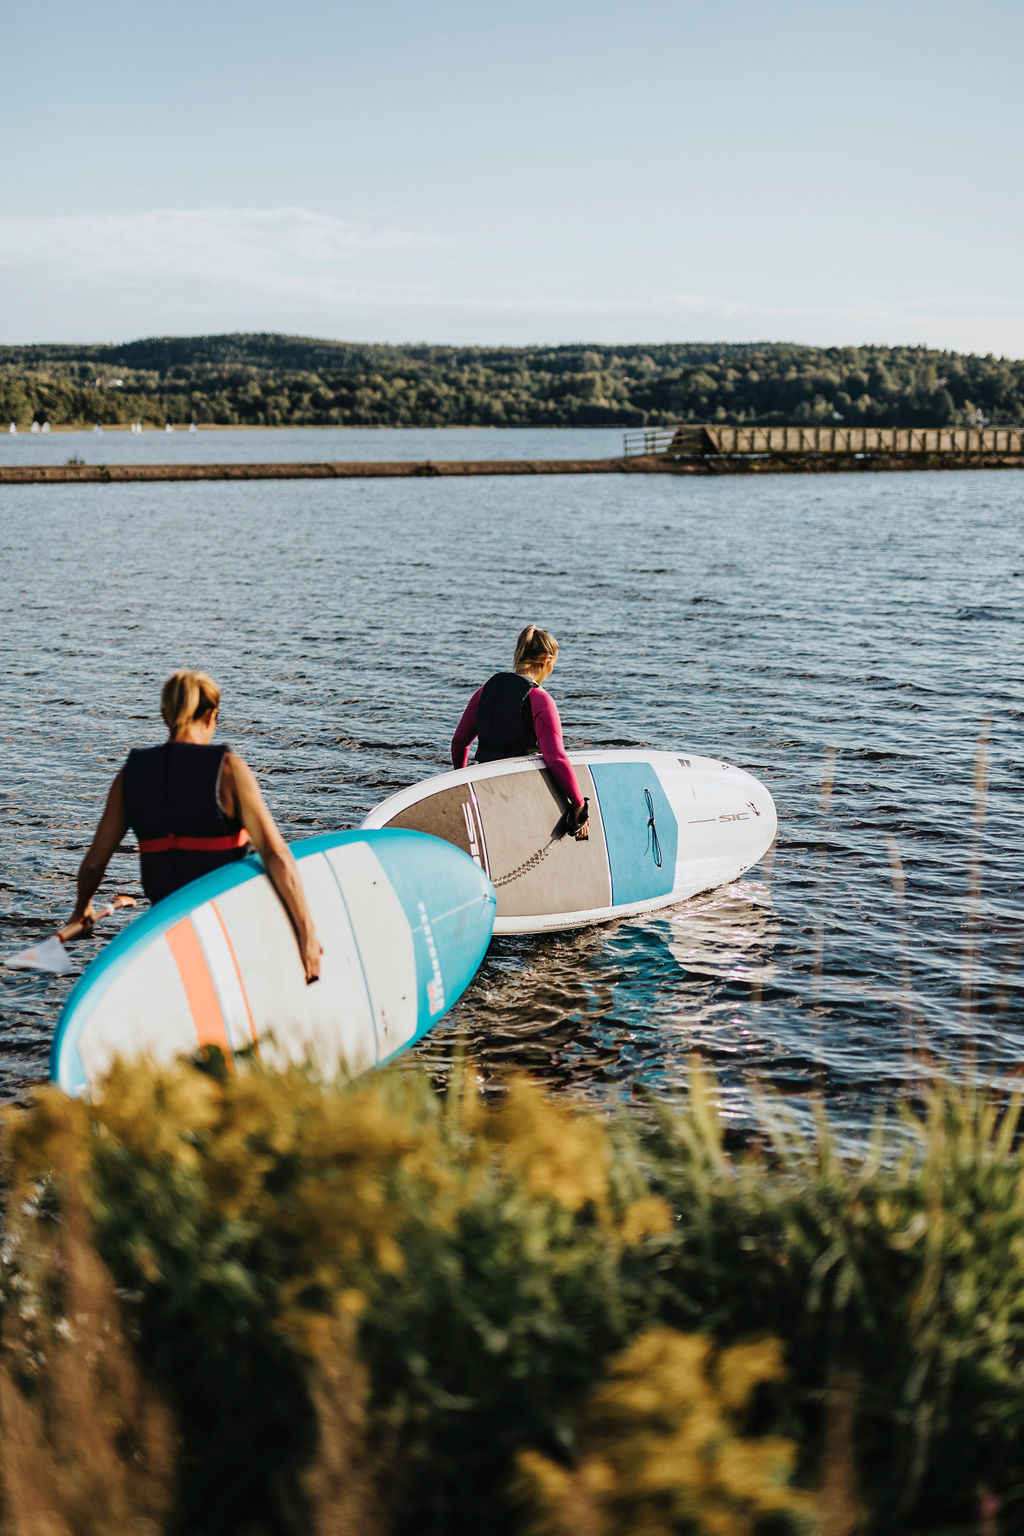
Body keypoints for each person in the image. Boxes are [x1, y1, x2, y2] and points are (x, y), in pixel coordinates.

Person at [67, 670, 322, 982]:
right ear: (212, 714)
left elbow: (94, 864)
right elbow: (277, 855)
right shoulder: (229, 770)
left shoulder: (130, 775)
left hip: (169, 921)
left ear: (165, 716)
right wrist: (307, 933)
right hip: (228, 918)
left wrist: (82, 909)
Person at [451, 625, 590, 839]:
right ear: (545, 659)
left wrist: (460, 783)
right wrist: (579, 804)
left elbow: (460, 742)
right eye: (554, 663)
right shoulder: (540, 699)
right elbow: (556, 759)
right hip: (520, 787)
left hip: (486, 783)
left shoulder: (485, 690)